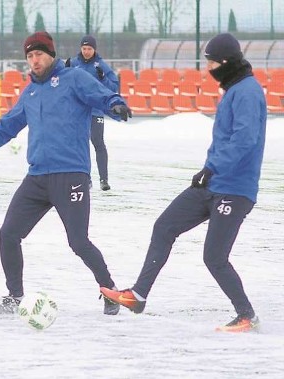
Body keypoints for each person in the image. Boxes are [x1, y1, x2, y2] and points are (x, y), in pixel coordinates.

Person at [0, 31, 132, 316]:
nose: (34, 60)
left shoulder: (74, 78)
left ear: (51, 55)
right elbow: (7, 126)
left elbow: (101, 95)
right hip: (37, 177)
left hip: (70, 175)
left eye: (39, 54)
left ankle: (110, 291)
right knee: (8, 234)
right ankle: (15, 297)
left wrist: (115, 103)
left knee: (78, 242)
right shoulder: (31, 92)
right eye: (29, 56)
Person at [100, 33, 266, 333]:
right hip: (213, 183)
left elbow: (245, 140)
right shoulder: (232, 90)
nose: (209, 68)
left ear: (227, 61)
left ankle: (246, 315)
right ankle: (138, 296)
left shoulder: (248, 91)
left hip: (235, 189)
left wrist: (212, 168)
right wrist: (209, 171)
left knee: (214, 257)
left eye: (213, 62)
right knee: (164, 226)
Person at [66, 35, 119, 191]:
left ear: (94, 49)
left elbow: (113, 87)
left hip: (95, 111)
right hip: (77, 111)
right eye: (84, 48)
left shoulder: (101, 65)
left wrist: (103, 78)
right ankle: (85, 179)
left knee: (98, 142)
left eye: (89, 49)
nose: (86, 51)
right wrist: (65, 71)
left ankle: (104, 179)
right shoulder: (74, 64)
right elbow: (62, 84)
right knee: (79, 145)